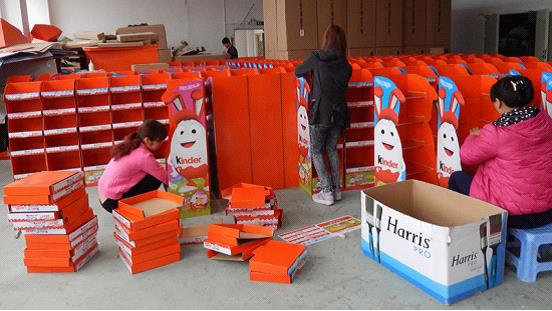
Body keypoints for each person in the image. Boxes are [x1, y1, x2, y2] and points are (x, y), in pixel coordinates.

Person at [449, 75, 552, 229]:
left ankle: (466, 236)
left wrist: (473, 136)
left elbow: (466, 156)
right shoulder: (544, 120)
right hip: (547, 210)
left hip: (512, 215)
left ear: (498, 102)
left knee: (456, 178)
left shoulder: (497, 132)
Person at [294, 25, 352, 206]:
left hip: (320, 111)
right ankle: (336, 189)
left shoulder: (316, 58)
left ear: (326, 40)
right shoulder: (346, 64)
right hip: (339, 112)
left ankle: (326, 191)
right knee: (332, 148)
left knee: (317, 151)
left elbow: (297, 72)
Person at [98, 120, 169, 213]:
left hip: (103, 195)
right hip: (112, 203)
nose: (161, 144)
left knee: (153, 172)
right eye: (160, 141)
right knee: (155, 178)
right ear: (148, 140)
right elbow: (166, 178)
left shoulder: (132, 145)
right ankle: (135, 207)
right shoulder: (144, 156)